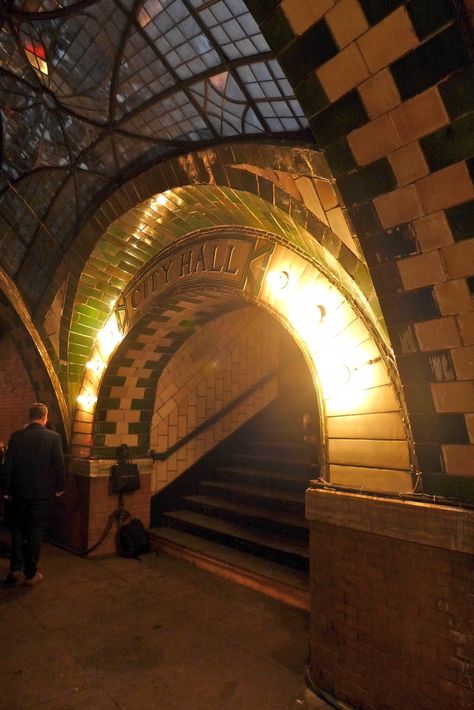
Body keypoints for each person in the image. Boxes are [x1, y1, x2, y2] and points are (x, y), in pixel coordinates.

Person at [1, 403, 65, 587]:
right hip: (41, 495)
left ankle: (14, 569)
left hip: (18, 493)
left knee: (18, 531)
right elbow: (58, 465)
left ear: (30, 417)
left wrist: (6, 490)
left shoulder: (17, 437)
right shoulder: (54, 438)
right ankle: (31, 573)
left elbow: (9, 465)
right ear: (45, 418)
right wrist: (60, 486)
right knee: (36, 532)